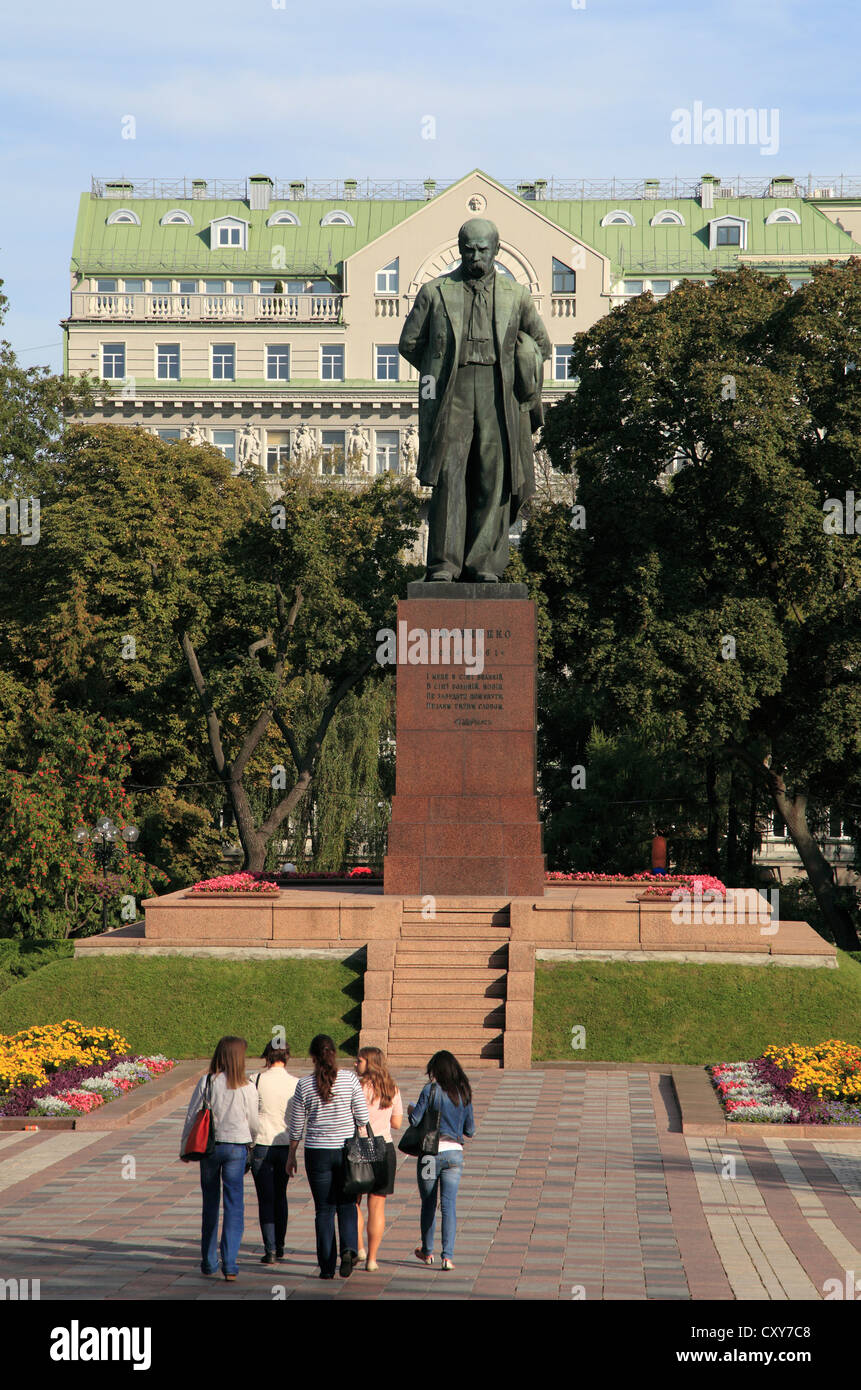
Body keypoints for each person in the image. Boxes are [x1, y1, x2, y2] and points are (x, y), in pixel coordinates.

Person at [287, 1034, 370, 1279]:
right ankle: (348, 1249)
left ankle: (325, 1267)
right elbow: (363, 1117)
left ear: (313, 1057)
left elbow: (296, 1125)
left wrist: (291, 1154)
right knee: (347, 1204)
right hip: (346, 1151)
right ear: (333, 1053)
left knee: (323, 1209)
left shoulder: (304, 1085)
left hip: (317, 1152)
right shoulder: (349, 1079)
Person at [180, 1035, 259, 1281]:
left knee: (210, 1204)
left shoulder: (207, 1082)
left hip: (210, 1148)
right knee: (234, 1204)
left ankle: (209, 1260)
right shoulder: (246, 1085)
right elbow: (254, 1121)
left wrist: (185, 1146)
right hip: (237, 1148)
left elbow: (192, 1115)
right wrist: (253, 1142)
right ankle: (231, 1264)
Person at [408, 1050, 475, 1271]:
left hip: (429, 1155)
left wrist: (411, 1108)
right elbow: (470, 1130)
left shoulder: (430, 1090)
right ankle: (448, 1257)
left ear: (436, 1070)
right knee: (449, 1206)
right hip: (454, 1155)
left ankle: (427, 1251)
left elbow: (414, 1119)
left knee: (428, 1203)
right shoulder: (463, 1092)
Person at [249, 1039, 298, 1264]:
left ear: (267, 1056)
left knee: (265, 1199)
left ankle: (269, 1250)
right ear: (286, 1056)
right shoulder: (297, 1083)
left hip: (262, 1144)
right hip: (286, 1146)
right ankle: (280, 1246)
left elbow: (249, 1114)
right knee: (281, 1196)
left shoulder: (255, 1080)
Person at [354, 1047, 402, 1272]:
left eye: (359, 1061)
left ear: (370, 1064)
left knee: (353, 1202)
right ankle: (373, 1259)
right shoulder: (392, 1088)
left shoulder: (356, 1088)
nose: (355, 1064)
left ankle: (360, 1247)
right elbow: (397, 1123)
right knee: (378, 1205)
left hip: (359, 1146)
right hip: (384, 1147)